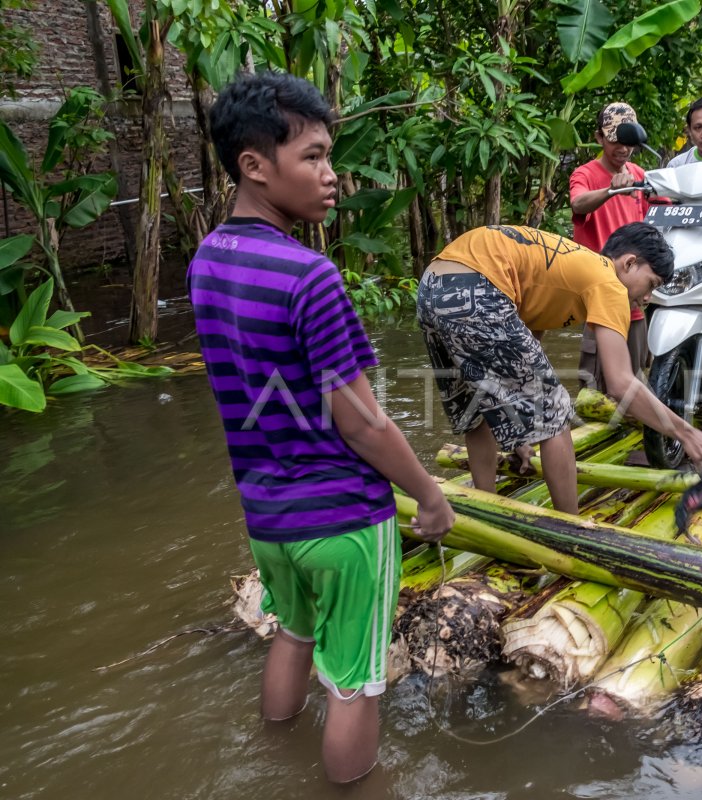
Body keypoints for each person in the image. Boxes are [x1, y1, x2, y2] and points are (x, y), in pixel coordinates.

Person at [187, 72, 455, 784]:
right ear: (254, 165)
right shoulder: (310, 277)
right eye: (312, 157)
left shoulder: (209, 260)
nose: (332, 176)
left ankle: (275, 755)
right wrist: (429, 494)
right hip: (341, 518)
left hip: (267, 515)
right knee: (356, 683)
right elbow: (363, 423)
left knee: (293, 634)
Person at [416, 222, 702, 514]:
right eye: (651, 284)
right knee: (556, 411)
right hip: (480, 287)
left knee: (477, 408)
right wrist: (686, 433)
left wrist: (521, 433)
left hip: (433, 283)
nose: (646, 298)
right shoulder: (609, 282)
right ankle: (572, 527)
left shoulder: (575, 267)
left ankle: (485, 507)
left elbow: (521, 350)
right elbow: (620, 383)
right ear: (630, 263)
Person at [570, 102, 651, 394]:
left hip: (634, 299)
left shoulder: (641, 176)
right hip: (600, 295)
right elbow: (578, 203)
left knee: (637, 377)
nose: (623, 148)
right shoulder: (585, 174)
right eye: (615, 139)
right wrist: (611, 190)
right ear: (599, 138)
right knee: (593, 385)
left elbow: (669, 211)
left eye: (629, 141)